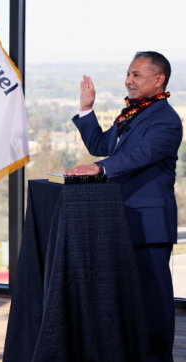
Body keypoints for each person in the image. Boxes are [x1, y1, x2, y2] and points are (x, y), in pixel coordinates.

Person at [66, 51, 182, 361]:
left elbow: (137, 156)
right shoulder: (131, 113)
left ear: (159, 80)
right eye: (128, 74)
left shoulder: (167, 120)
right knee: (125, 301)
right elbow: (102, 146)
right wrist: (86, 109)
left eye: (137, 75)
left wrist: (100, 168)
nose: (129, 81)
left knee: (153, 301)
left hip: (149, 226)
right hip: (119, 220)